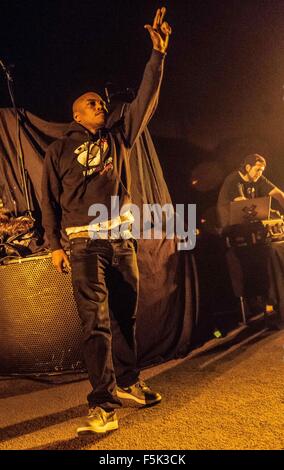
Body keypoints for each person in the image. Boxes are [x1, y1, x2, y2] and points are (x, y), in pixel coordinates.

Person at [41, 8, 171, 435]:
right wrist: (53, 245)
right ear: (77, 114)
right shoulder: (58, 151)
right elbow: (48, 201)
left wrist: (157, 56)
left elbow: (146, 99)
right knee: (94, 323)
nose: (100, 104)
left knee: (125, 317)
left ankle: (131, 381)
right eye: (90, 103)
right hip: (82, 244)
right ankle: (103, 404)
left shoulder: (119, 137)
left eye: (101, 100)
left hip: (121, 241)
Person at [217, 153, 284, 228]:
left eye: (262, 170)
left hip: (245, 221)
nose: (260, 173)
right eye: (258, 170)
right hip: (229, 227)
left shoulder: (258, 178)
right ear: (248, 167)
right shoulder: (233, 180)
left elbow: (279, 195)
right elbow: (243, 205)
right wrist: (269, 212)